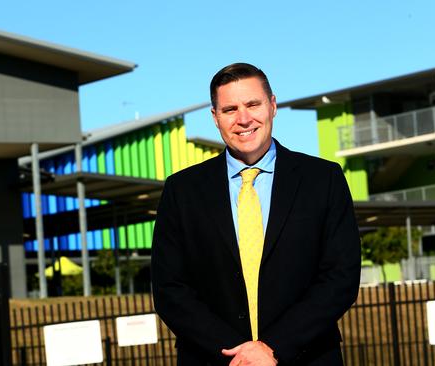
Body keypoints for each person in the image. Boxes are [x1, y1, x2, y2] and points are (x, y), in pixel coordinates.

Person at [151, 63, 361, 366]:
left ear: (272, 106)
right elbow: (170, 289)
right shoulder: (181, 191)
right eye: (230, 109)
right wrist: (240, 354)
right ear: (215, 117)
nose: (243, 119)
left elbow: (340, 277)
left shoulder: (323, 179)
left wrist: (273, 347)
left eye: (252, 104)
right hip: (216, 359)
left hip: (307, 356)